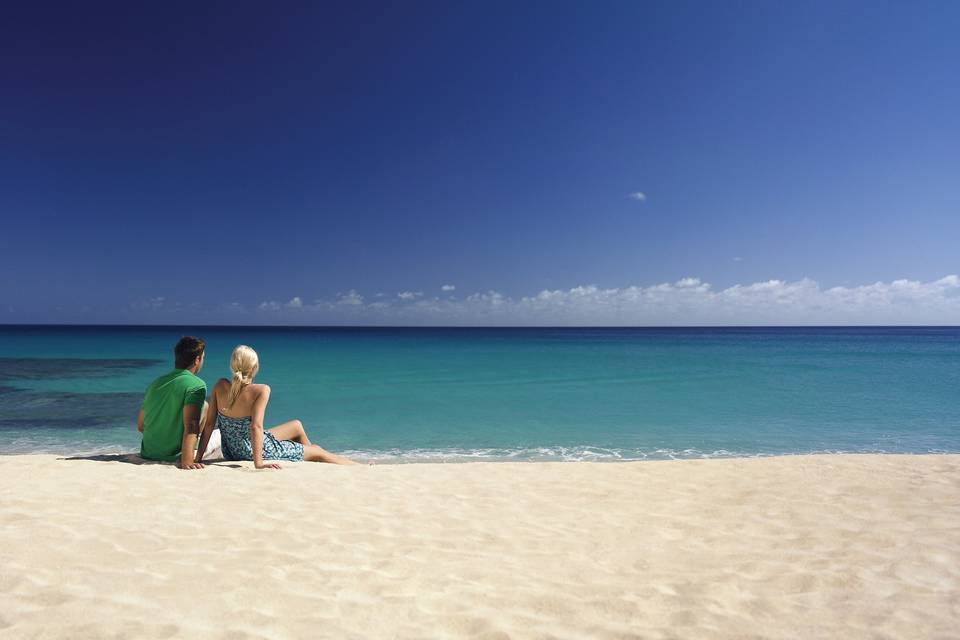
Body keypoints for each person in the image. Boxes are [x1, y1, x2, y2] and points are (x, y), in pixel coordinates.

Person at [195, 344, 358, 468]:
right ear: (254, 368)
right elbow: (255, 427)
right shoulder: (261, 390)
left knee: (296, 425)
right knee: (318, 451)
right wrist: (258, 463)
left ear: (232, 366)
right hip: (251, 451)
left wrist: (198, 458)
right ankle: (357, 466)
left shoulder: (220, 385)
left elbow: (209, 425)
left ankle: (308, 458)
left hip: (231, 450)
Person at [138, 336, 212, 470]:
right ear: (197, 360)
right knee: (208, 412)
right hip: (176, 456)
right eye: (203, 358)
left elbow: (141, 426)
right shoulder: (197, 385)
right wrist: (188, 461)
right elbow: (191, 425)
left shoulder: (154, 384)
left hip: (148, 453)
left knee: (204, 406)